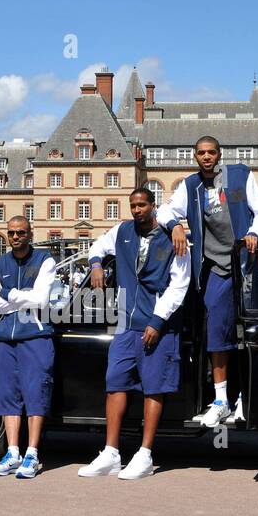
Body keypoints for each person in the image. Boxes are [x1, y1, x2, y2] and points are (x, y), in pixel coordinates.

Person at [78, 187, 192, 480]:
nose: (137, 210)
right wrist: (96, 265)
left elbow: (179, 286)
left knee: (153, 388)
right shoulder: (122, 231)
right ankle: (111, 452)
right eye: (133, 205)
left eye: (142, 204)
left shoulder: (174, 239)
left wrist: (157, 320)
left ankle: (145, 454)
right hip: (126, 323)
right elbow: (96, 247)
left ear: (153, 206)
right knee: (114, 383)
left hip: (158, 324)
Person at [157, 136, 258, 427]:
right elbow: (164, 211)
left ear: (220, 155)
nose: (206, 157)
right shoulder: (190, 185)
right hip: (216, 268)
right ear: (195, 156)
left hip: (245, 266)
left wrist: (255, 232)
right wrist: (175, 226)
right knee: (218, 334)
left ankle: (247, 397)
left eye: (211, 152)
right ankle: (221, 400)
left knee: (250, 335)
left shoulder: (240, 175)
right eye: (201, 153)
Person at [0, 216, 57, 479]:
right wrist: (20, 297)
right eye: (11, 233)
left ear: (30, 234)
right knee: (6, 394)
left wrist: (9, 293)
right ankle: (13, 452)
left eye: (21, 233)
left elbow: (40, 299)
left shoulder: (44, 260)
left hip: (35, 336)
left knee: (35, 393)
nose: (16, 237)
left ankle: (32, 454)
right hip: (6, 337)